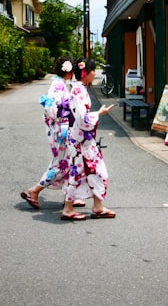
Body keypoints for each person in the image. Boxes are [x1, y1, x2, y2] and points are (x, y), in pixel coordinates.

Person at [20, 56, 83, 209]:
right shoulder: (58, 86)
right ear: (68, 71)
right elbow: (53, 109)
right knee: (61, 164)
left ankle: (69, 196)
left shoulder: (59, 84)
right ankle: (35, 190)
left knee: (67, 161)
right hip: (60, 130)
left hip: (58, 128)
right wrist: (66, 117)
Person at [61, 57, 117, 221]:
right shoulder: (79, 91)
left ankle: (95, 206)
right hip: (81, 141)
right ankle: (70, 208)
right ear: (85, 72)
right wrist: (99, 114)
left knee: (91, 172)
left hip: (80, 140)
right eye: (93, 70)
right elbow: (83, 119)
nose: (94, 73)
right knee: (85, 173)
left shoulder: (78, 89)